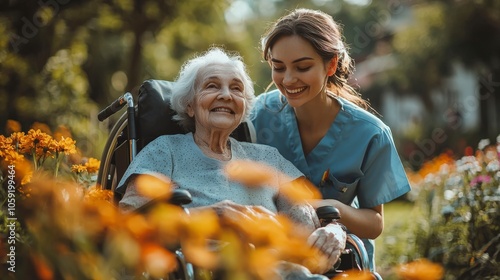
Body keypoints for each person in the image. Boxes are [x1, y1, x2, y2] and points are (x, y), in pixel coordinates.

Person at [116, 47, 345, 279]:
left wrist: (333, 231)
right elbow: (128, 222)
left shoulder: (268, 158)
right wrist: (209, 216)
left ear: (243, 106)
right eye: (212, 86)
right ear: (189, 105)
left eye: (236, 88)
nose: (226, 95)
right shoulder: (164, 150)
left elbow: (307, 219)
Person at [251, 8, 411, 271]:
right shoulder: (257, 117)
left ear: (331, 64)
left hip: (340, 257)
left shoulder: (370, 134)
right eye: (278, 67)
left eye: (302, 67)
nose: (288, 79)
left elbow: (374, 223)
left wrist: (331, 207)